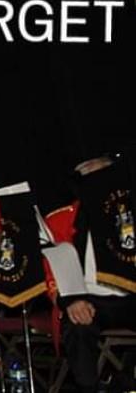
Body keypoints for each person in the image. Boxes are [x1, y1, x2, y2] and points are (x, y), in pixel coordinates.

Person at [42, 156, 136, 392]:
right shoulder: (62, 219)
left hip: (132, 296)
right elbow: (49, 267)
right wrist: (70, 300)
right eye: (88, 176)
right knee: (78, 323)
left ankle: (126, 378)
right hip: (88, 298)